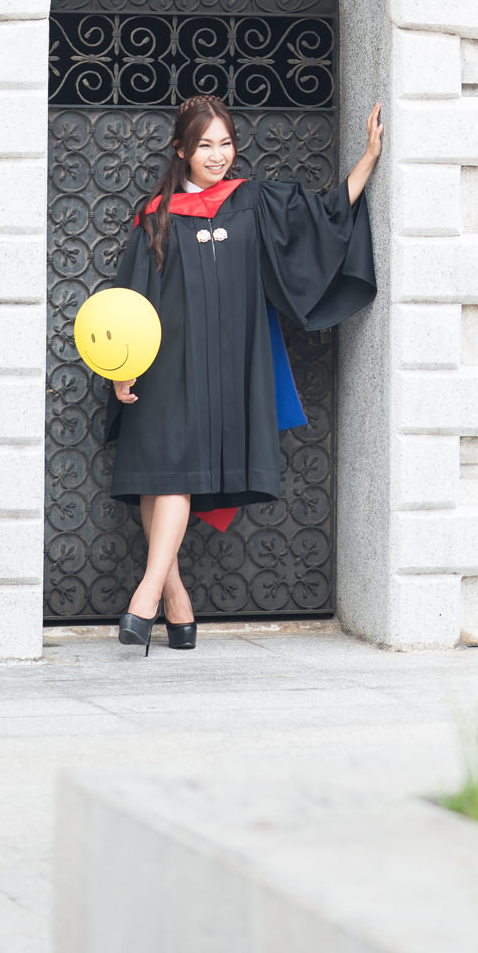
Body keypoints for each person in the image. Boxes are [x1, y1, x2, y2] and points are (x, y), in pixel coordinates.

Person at [105, 92, 382, 653]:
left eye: (225, 143)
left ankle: (144, 599)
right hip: (161, 369)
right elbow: (128, 300)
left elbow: (325, 218)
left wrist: (370, 158)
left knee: (176, 477)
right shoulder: (154, 217)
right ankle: (176, 602)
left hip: (223, 373)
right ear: (181, 149)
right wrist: (120, 368)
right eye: (205, 145)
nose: (217, 155)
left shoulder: (253, 203)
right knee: (154, 483)